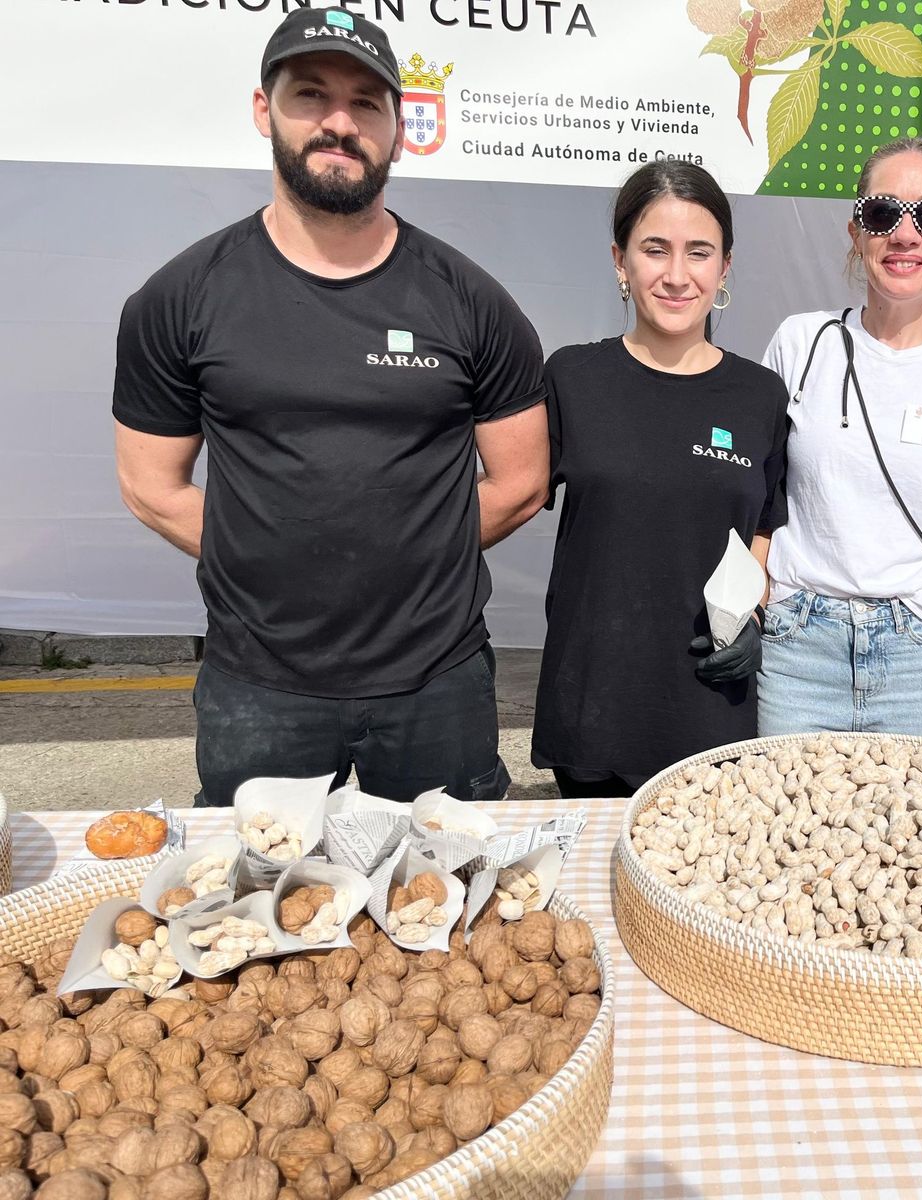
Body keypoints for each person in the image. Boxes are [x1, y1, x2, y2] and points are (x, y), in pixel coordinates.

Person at [112, 10, 549, 806]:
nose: (340, 123)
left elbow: (522, 480)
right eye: (311, 94)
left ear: (400, 128)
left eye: (367, 103)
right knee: (259, 916)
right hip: (258, 686)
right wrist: (268, 558)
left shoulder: (472, 301)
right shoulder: (181, 298)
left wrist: (409, 557)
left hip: (436, 682)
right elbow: (151, 484)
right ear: (262, 109)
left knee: (449, 906)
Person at [756, 138, 922, 743]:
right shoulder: (800, 344)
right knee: (792, 835)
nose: (907, 234)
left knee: (913, 836)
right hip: (800, 652)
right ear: (857, 231)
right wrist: (756, 607)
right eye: (884, 212)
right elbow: (759, 505)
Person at [531, 161, 789, 799]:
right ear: (621, 261)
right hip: (594, 701)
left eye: (699, 252)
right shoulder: (572, 379)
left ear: (724, 268)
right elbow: (513, 492)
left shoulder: (760, 394)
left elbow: (763, 525)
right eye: (655, 250)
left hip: (706, 705)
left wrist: (753, 615)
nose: (677, 275)